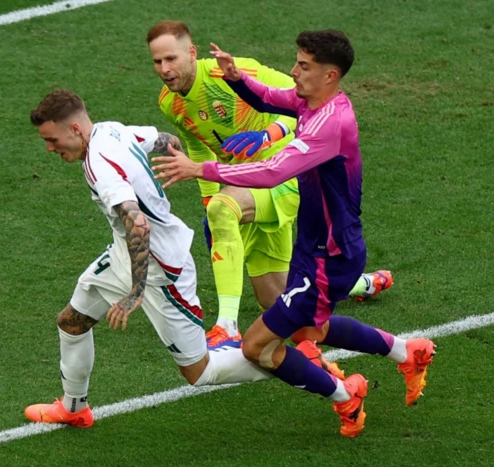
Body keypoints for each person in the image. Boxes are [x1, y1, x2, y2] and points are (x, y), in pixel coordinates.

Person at [152, 31, 435, 437]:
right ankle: (407, 352)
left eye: (303, 66)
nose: (293, 71)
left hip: (331, 256)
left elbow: (273, 172)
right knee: (308, 330)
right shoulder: (313, 101)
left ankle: (345, 397)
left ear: (330, 75)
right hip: (314, 245)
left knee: (256, 346)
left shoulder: (329, 125)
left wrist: (204, 170)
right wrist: (236, 79)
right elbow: (270, 97)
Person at [22, 89, 344, 427]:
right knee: (72, 322)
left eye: (52, 139)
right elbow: (161, 139)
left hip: (161, 268)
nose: (49, 148)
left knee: (199, 371)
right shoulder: (110, 129)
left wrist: (135, 292)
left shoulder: (100, 166)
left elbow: (139, 225)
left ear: (74, 129)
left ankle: (314, 372)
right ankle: (74, 409)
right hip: (125, 253)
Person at [147, 21, 393, 351]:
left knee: (225, 210)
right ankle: (357, 286)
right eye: (157, 62)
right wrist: (208, 195)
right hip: (244, 180)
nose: (164, 69)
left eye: (171, 59)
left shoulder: (242, 76)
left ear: (191, 53)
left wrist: (267, 135)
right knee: (278, 303)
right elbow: (201, 141)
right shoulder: (170, 102)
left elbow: (292, 122)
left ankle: (226, 327)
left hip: (284, 175)